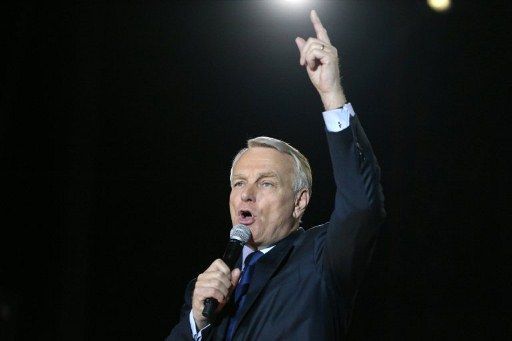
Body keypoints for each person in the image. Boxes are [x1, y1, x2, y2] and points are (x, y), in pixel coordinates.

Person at [167, 10, 385, 340]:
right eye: (239, 182)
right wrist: (197, 322)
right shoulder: (209, 287)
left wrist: (331, 94)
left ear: (299, 202)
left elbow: (361, 204)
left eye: (266, 182)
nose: (247, 193)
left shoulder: (320, 259)